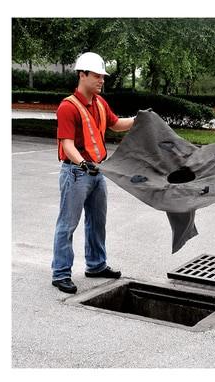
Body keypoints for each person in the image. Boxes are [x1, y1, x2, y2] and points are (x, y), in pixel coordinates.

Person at [51, 52, 135, 294]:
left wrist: (140, 118)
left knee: (97, 222)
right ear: (82, 75)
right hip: (76, 173)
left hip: (98, 172)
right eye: (97, 75)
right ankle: (60, 273)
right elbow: (67, 144)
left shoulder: (100, 103)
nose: (101, 80)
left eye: (103, 76)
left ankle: (96, 265)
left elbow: (116, 124)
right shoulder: (68, 106)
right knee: (67, 225)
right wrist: (82, 164)